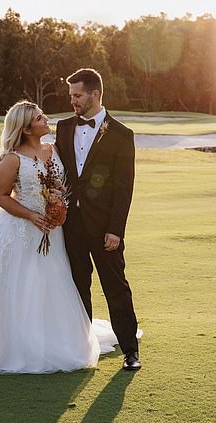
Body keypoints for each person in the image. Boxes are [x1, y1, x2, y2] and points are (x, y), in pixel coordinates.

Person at [0, 101, 117, 374]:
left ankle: (54, 339)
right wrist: (31, 216)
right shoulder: (12, 159)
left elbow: (64, 185)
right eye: (40, 118)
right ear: (27, 127)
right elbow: (1, 197)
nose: (46, 119)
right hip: (20, 231)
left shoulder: (53, 150)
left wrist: (57, 210)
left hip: (52, 230)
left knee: (52, 282)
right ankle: (19, 345)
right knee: (23, 283)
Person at [55, 68, 141, 370]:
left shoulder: (121, 134)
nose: (73, 101)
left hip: (106, 228)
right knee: (78, 287)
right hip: (70, 225)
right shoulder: (63, 128)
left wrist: (116, 229)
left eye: (77, 96)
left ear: (95, 94)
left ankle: (131, 349)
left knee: (115, 287)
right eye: (71, 96)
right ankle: (82, 349)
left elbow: (123, 188)